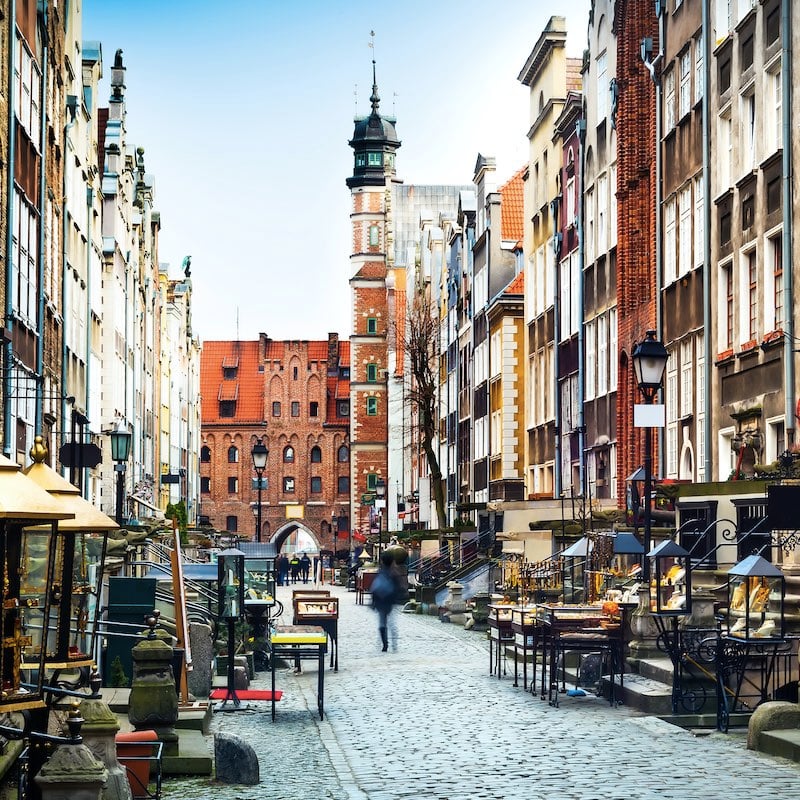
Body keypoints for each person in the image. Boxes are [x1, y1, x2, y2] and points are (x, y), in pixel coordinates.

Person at [371, 551, 401, 652]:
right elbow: (398, 588)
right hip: (390, 601)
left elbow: (374, 587)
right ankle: (394, 644)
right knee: (392, 623)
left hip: (380, 600)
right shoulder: (394, 573)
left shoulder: (381, 572)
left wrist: (373, 602)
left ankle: (385, 645)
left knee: (382, 622)